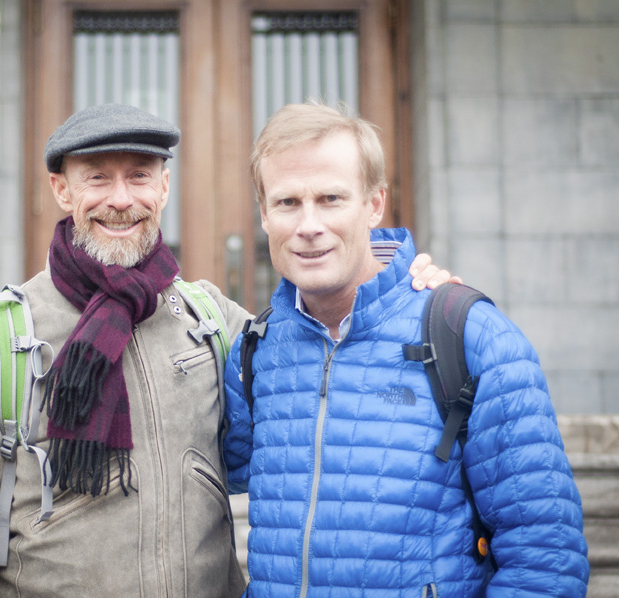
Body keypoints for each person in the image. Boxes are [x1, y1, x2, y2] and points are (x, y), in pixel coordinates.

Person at [0, 103, 454, 597]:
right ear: (62, 190)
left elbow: (324, 352)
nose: (121, 199)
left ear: (165, 186)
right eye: (98, 178)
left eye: (139, 176)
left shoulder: (210, 317)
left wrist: (399, 287)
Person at [222, 101, 589, 597]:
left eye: (331, 198)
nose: (308, 225)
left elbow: (545, 559)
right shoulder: (255, 353)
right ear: (264, 215)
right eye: (288, 203)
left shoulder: (470, 338)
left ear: (374, 205)